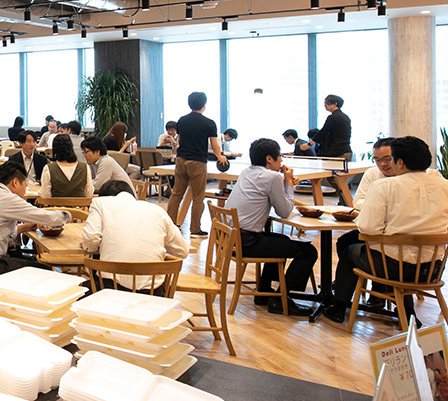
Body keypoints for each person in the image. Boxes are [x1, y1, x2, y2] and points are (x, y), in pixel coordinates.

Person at [325, 136, 448, 324]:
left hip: (392, 267)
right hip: (432, 270)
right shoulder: (444, 185)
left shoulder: (384, 186)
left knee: (351, 250)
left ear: (399, 162)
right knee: (398, 253)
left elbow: (368, 228)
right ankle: (407, 313)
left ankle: (339, 308)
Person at [224, 138, 317, 316]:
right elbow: (284, 211)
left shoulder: (247, 172)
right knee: (308, 252)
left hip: (232, 240)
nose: (281, 161)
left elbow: (264, 190)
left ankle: (264, 293)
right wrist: (288, 183)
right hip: (247, 242)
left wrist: (285, 183)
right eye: (279, 157)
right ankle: (281, 300)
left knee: (279, 240)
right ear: (269, 158)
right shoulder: (272, 176)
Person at [0, 162, 71, 281]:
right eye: (25, 184)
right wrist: (66, 215)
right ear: (15, 182)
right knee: (44, 271)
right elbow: (46, 217)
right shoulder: (7, 199)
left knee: (30, 261)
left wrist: (24, 227)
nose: (25, 189)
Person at [83, 180, 189, 292]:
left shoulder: (100, 203)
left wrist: (94, 247)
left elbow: (91, 239)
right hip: (153, 294)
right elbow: (182, 251)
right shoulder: (158, 211)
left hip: (110, 291)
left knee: (75, 293)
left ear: (105, 197)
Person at [167, 92, 227, 236]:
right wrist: (220, 157)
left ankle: (170, 227)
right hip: (198, 162)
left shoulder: (182, 121)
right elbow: (214, 144)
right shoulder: (209, 123)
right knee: (198, 197)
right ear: (204, 105)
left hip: (181, 160)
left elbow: (180, 140)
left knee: (176, 195)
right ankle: (195, 229)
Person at [313, 94, 352, 203]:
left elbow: (323, 131)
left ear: (335, 104)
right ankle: (344, 200)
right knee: (338, 178)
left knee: (334, 178)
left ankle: (346, 199)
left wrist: (310, 143)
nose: (324, 105)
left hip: (338, 152)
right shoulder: (344, 117)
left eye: (327, 102)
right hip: (345, 150)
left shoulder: (333, 117)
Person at [38, 134, 94, 199]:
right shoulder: (84, 167)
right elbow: (89, 193)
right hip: (79, 208)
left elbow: (45, 196)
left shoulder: (49, 168)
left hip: (55, 208)